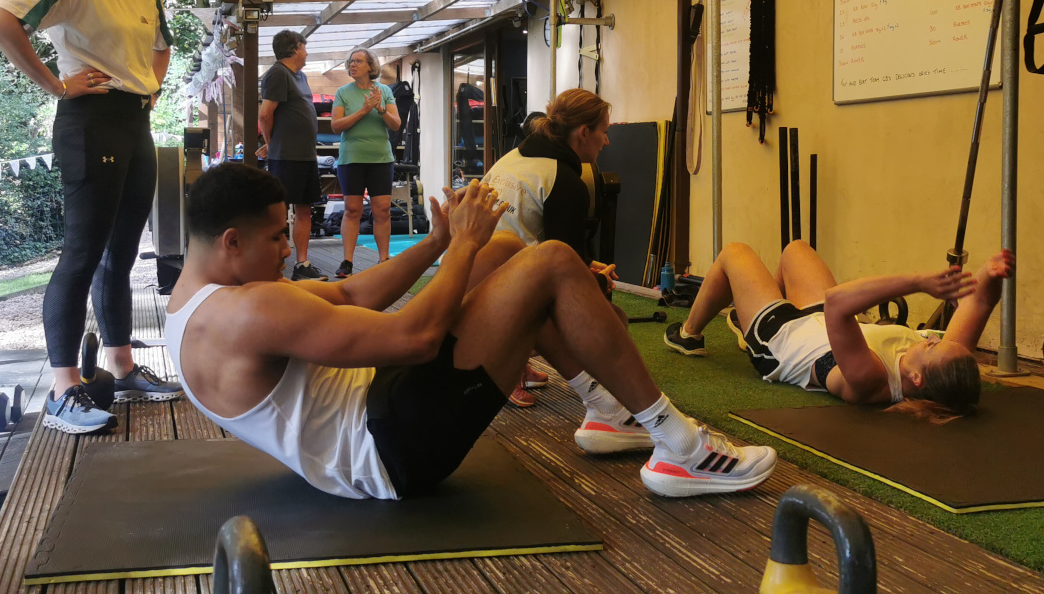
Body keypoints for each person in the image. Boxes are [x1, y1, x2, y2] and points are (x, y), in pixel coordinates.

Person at [166, 163, 778, 500]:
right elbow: (415, 339)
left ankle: (606, 410)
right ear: (232, 242)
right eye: (278, 238)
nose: (286, 248)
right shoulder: (247, 313)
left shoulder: (203, 303)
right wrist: (459, 245)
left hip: (384, 410)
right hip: (390, 453)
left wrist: (439, 244)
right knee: (553, 262)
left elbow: (353, 293)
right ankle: (682, 448)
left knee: (505, 250)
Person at [0, 0, 182, 435]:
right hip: (89, 121)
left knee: (122, 253)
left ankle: (120, 367)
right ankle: (64, 388)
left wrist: (151, 84)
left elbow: (161, 48)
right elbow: (0, 19)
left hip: (134, 122)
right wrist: (56, 85)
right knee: (81, 254)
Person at [665, 240, 1013, 423]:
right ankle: (747, 315)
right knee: (795, 250)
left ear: (917, 379)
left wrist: (918, 282)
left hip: (781, 337)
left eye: (935, 347)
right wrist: (990, 272)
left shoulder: (872, 380)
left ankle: (689, 333)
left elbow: (837, 302)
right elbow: (978, 304)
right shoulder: (943, 365)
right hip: (822, 323)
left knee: (735, 253)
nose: (935, 338)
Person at [481, 89, 620, 407]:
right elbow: (567, 273)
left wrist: (587, 266)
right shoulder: (566, 182)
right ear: (584, 133)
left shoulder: (516, 156)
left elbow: (555, 248)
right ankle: (503, 366)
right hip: (493, 299)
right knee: (613, 316)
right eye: (604, 132)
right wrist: (598, 280)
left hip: (469, 279)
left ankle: (517, 360)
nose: (607, 142)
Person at [256, 29, 327, 281]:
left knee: (305, 208)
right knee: (278, 211)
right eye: (304, 46)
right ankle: (271, 265)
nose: (307, 52)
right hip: (285, 156)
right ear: (295, 48)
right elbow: (265, 114)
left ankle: (302, 265)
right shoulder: (277, 73)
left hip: (305, 155)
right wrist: (271, 143)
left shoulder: (301, 76)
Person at [331, 49, 401, 279]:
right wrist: (363, 111)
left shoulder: (384, 91)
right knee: (353, 210)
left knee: (382, 211)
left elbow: (396, 125)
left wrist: (380, 109)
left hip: (381, 159)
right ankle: (347, 262)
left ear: (371, 66)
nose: (353, 65)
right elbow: (336, 126)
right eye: (351, 61)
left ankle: (384, 260)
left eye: (359, 61)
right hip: (351, 159)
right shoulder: (342, 92)